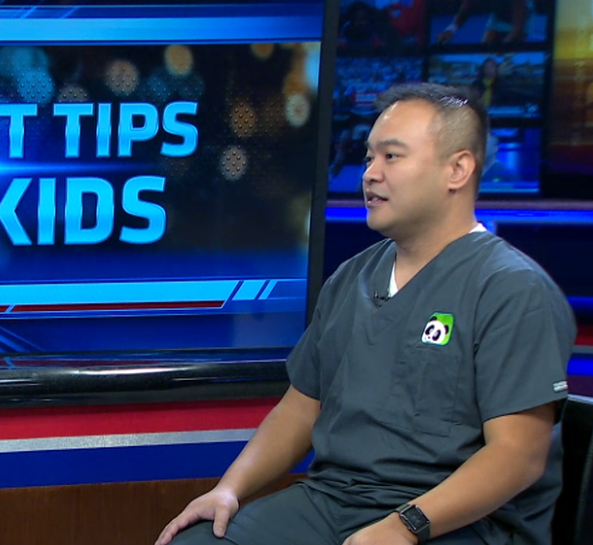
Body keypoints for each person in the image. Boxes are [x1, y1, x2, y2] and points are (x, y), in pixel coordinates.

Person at [155, 82, 574, 545]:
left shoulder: (513, 289)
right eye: (369, 157)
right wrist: (229, 489)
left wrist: (403, 526)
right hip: (334, 499)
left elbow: (518, 456)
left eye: (391, 156)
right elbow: (300, 409)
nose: (369, 174)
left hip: (462, 521)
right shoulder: (352, 277)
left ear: (457, 169)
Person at [435, 0, 533, 44]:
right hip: (498, 15)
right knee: (484, 51)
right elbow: (465, 11)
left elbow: (518, 27)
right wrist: (451, 29)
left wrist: (502, 50)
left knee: (510, 53)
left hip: (522, 17)